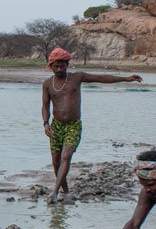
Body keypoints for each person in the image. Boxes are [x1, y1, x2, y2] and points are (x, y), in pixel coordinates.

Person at [41, 47, 143, 201]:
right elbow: (45, 106)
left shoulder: (77, 77)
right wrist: (45, 123)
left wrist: (125, 79)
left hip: (73, 125)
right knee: (55, 161)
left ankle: (54, 193)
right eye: (56, 66)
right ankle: (66, 192)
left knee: (65, 156)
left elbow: (101, 78)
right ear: (51, 67)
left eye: (63, 65)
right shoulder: (48, 84)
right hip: (56, 126)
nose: (60, 68)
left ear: (67, 65)